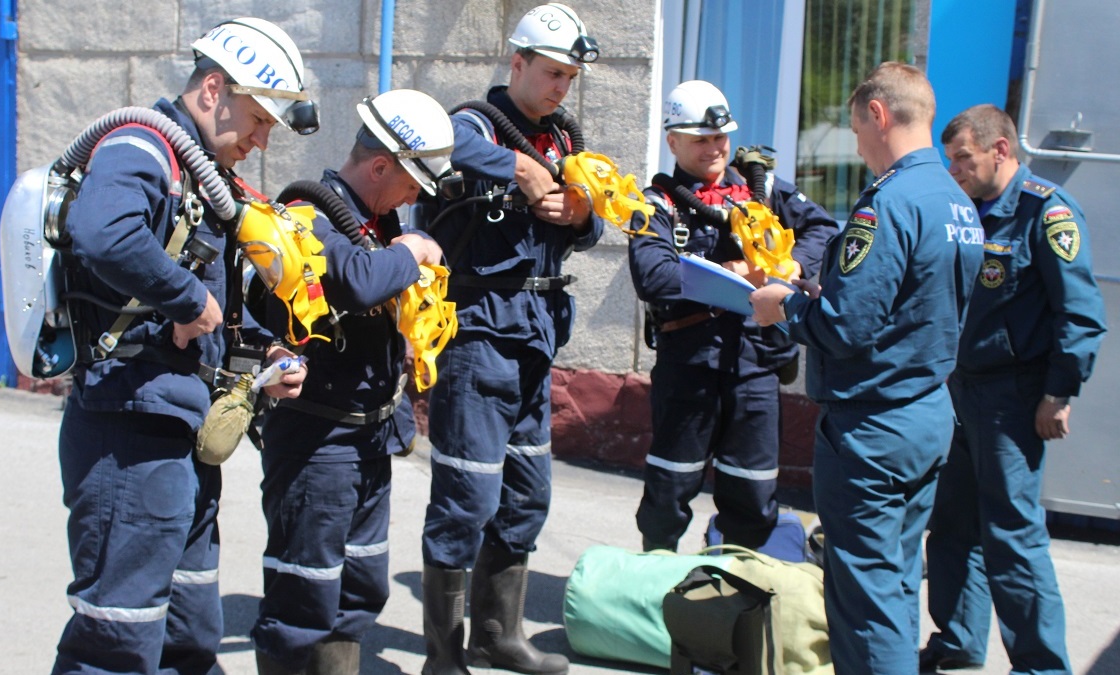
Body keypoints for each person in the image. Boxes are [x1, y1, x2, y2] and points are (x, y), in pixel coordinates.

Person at [53, 18, 315, 675]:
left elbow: (214, 315)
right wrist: (188, 298)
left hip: (178, 432)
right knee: (117, 635)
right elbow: (104, 234)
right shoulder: (142, 146)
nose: (259, 143)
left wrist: (271, 354)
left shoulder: (200, 183)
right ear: (212, 90)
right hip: (127, 428)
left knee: (189, 628)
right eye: (256, 121)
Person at [749, 62, 983, 674]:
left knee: (864, 602)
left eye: (855, 130)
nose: (856, 144)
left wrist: (786, 307)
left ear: (879, 115)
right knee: (898, 583)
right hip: (928, 412)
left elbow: (846, 327)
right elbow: (917, 302)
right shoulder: (956, 199)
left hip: (874, 426)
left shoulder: (890, 202)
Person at [417, 4, 605, 674]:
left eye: (570, 77)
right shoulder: (473, 123)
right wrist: (516, 169)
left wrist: (582, 214)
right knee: (466, 496)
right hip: (477, 337)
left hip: (534, 340)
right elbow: (427, 141)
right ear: (517, 63)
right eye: (551, 72)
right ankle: (443, 656)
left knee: (526, 494)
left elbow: (594, 219)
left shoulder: (563, 141)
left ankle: (497, 632)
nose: (560, 87)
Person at [249, 89, 455, 675]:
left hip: (370, 438)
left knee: (360, 587)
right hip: (318, 443)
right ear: (381, 165)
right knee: (304, 595)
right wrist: (413, 250)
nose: (417, 196)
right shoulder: (306, 215)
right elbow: (357, 282)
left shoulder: (379, 223)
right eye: (413, 181)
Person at [919, 104, 1106, 674]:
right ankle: (956, 644)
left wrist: (1059, 392)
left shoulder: (1045, 213)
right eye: (949, 160)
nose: (955, 171)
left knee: (1012, 537)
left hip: (1013, 399)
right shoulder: (964, 212)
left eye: (963, 159)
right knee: (951, 528)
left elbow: (1080, 312)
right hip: (958, 391)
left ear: (1000, 150)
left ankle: (1041, 665)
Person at [627, 80, 837, 553]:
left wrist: (788, 268)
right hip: (690, 366)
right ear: (673, 142)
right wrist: (740, 271)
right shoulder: (655, 203)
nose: (714, 148)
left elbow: (821, 228)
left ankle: (732, 606)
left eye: (720, 138)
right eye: (700, 139)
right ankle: (657, 592)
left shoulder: (759, 191)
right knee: (669, 493)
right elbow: (654, 276)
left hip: (757, 366)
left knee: (752, 493)